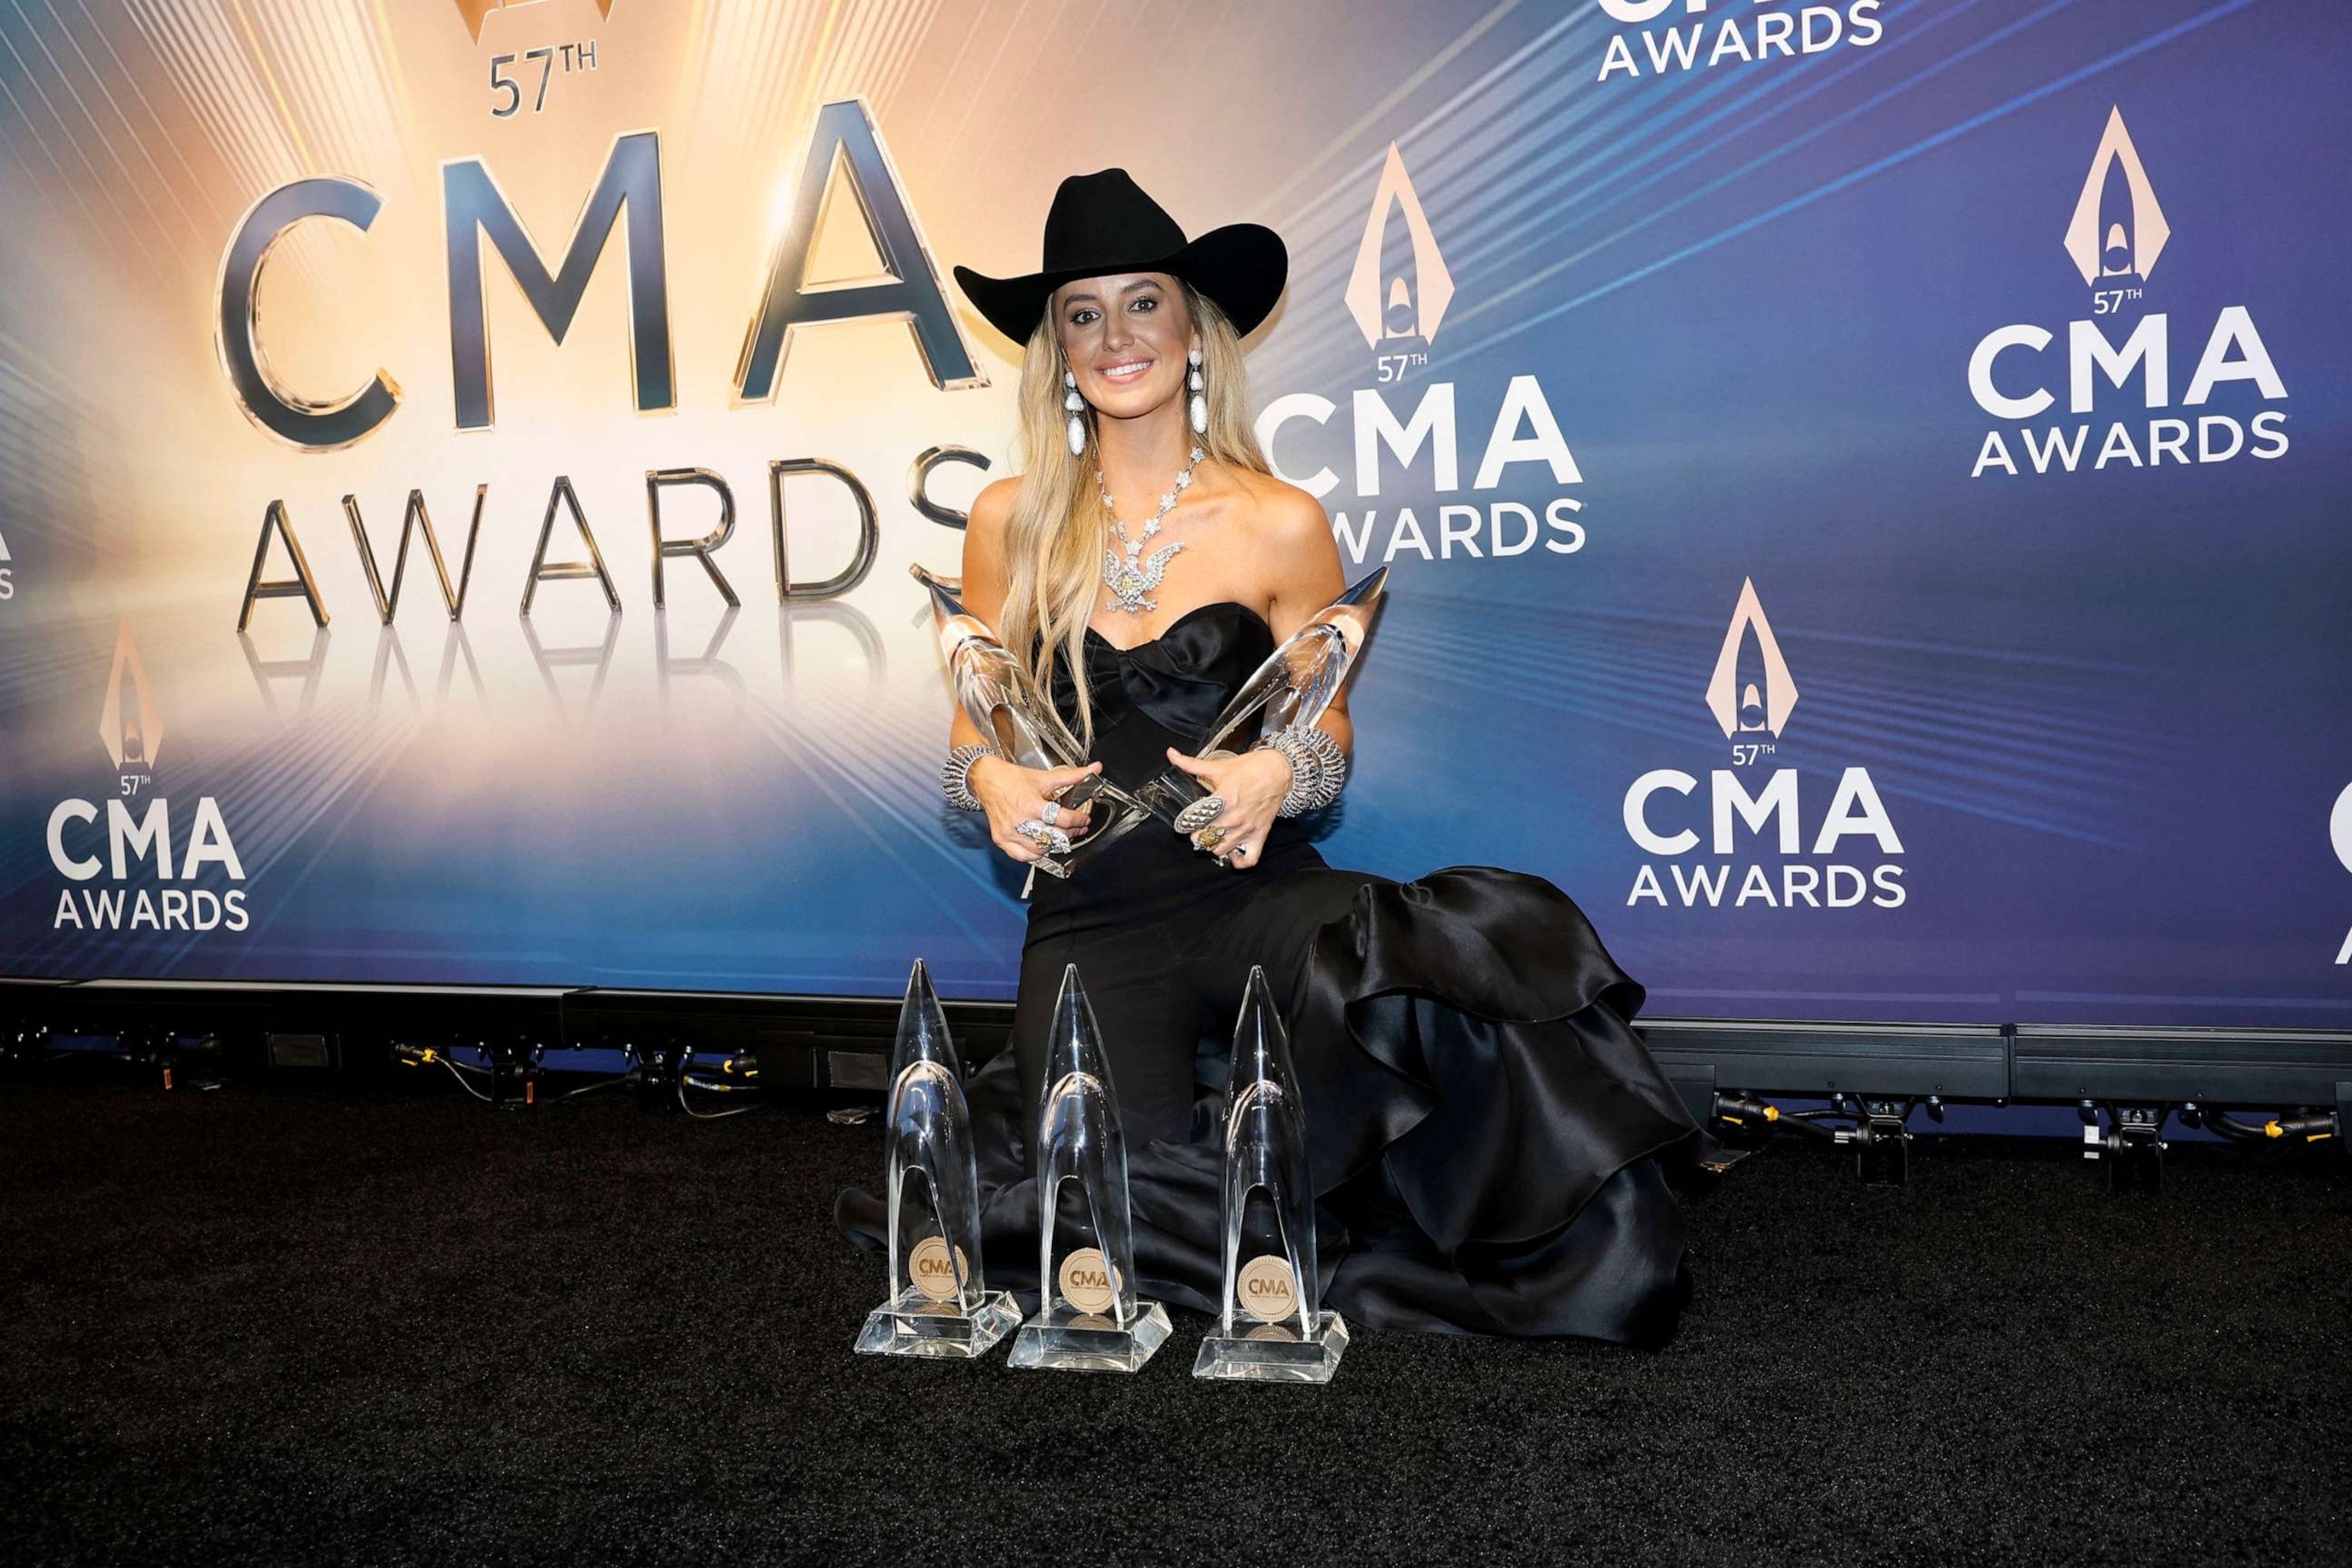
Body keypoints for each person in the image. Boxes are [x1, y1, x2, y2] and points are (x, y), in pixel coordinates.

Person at [841, 170, 1700, 1344]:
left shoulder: (1279, 517)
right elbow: (976, 720)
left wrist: (1280, 774)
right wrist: (987, 782)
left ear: (1194, 325)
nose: (1116, 335)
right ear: (1056, 351)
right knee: (1097, 1220)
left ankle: (1549, 1227)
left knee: (1425, 954)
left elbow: (1326, 714)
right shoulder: (1008, 520)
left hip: (1253, 894)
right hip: (1093, 923)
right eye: (1082, 314)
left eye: (1143, 302)